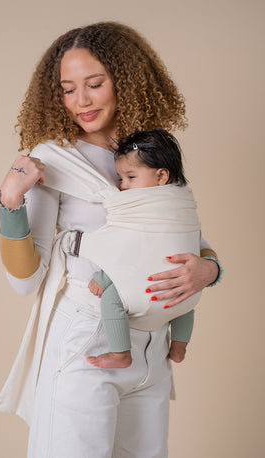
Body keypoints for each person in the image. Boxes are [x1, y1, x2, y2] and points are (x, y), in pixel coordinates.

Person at [0, 22, 222, 458]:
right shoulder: (51, 159)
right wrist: (9, 202)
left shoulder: (148, 153)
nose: (81, 100)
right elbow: (25, 280)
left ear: (126, 81)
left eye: (95, 84)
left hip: (152, 345)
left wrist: (210, 269)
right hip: (88, 333)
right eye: (68, 89)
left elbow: (177, 233)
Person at [87, 128, 196, 369]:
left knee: (111, 298)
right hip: (181, 285)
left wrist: (104, 277)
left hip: (152, 281)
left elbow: (129, 247)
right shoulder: (182, 199)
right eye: (120, 179)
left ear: (161, 176)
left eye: (131, 177)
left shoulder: (146, 208)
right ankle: (179, 345)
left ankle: (120, 353)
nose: (123, 186)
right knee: (185, 305)